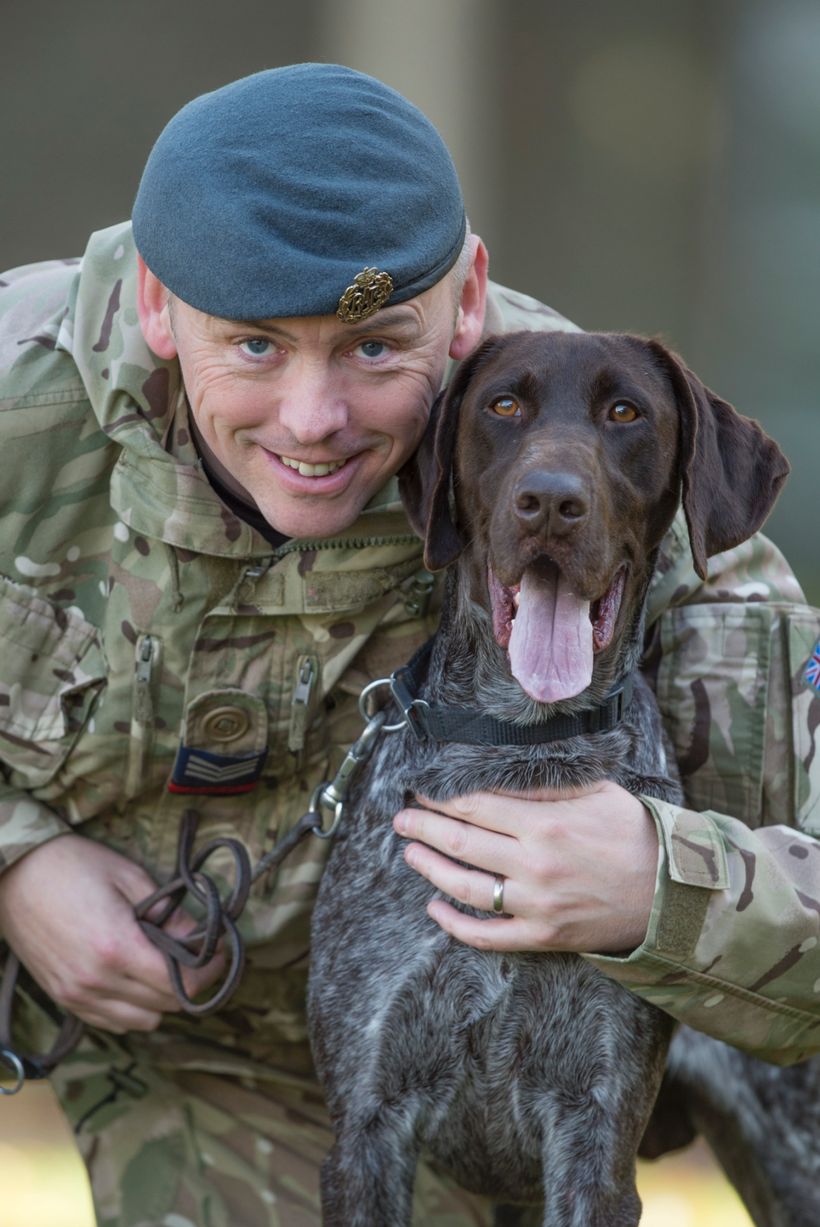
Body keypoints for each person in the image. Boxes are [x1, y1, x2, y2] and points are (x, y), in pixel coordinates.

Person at [0, 62, 817, 1226]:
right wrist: (16, 862)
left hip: (302, 1077)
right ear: (154, 302)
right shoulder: (16, 401)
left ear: (466, 296)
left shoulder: (586, 441)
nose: (314, 420)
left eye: (376, 348)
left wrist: (663, 886)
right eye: (254, 346)